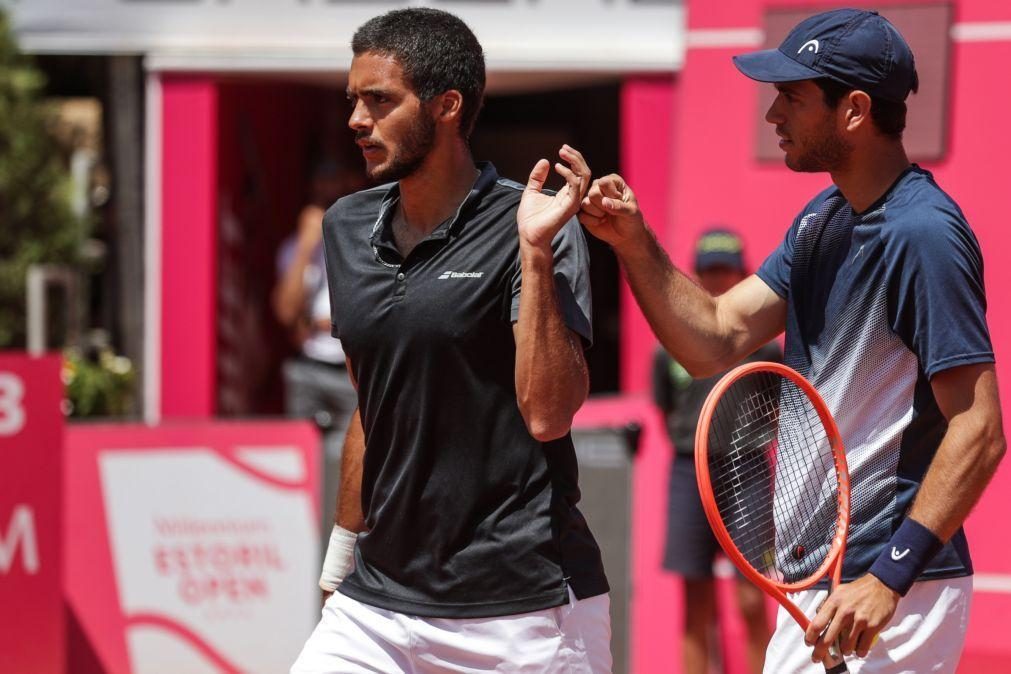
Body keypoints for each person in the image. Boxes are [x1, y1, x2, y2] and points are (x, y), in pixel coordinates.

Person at [578, 9, 1004, 673]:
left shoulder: (922, 235)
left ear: (854, 111)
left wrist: (886, 578)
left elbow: (978, 429)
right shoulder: (820, 219)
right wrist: (632, 242)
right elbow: (715, 339)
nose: (773, 114)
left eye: (792, 97)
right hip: (818, 586)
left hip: (886, 593)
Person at [290, 8, 611, 673]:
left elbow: (548, 412)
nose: (356, 120)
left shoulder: (538, 223)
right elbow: (372, 403)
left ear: (446, 105)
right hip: (375, 606)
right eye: (353, 99)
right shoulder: (346, 227)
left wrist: (531, 252)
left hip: (524, 612)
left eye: (378, 101)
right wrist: (340, 559)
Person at [652, 228, 777, 674]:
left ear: (742, 274)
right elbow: (665, 406)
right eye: (709, 270)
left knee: (750, 598)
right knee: (696, 604)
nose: (717, 278)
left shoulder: (766, 345)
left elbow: (782, 407)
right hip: (689, 471)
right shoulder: (671, 345)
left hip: (749, 471)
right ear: (697, 275)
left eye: (725, 269)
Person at [272, 158, 362, 544]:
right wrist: (308, 244)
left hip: (352, 370)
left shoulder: (365, 240)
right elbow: (287, 314)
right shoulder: (297, 247)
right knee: (299, 462)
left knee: (351, 467)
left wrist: (324, 322)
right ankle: (298, 539)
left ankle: (343, 542)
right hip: (309, 367)